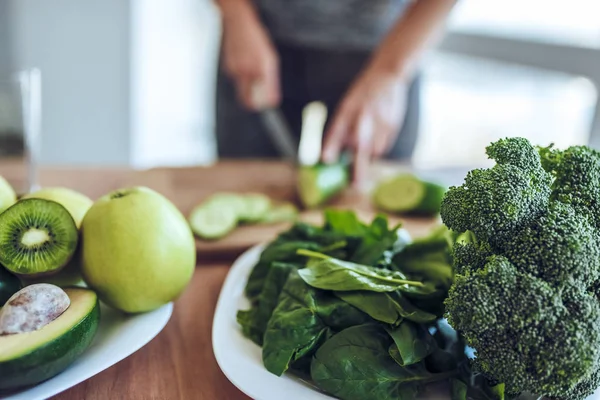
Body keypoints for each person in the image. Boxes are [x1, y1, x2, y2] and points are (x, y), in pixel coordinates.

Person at [214, 0, 457, 185]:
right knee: (246, 182)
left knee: (373, 187)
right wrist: (237, 16)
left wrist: (391, 72)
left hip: (390, 45)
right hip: (257, 34)